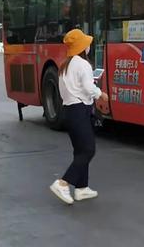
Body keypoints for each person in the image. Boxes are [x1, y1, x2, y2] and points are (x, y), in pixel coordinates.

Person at [49, 29, 108, 205]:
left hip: (69, 110)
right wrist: (101, 94)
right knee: (89, 150)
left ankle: (82, 188)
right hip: (79, 110)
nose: (89, 45)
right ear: (82, 47)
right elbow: (89, 88)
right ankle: (63, 183)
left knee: (80, 150)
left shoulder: (65, 65)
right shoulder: (82, 64)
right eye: (87, 43)